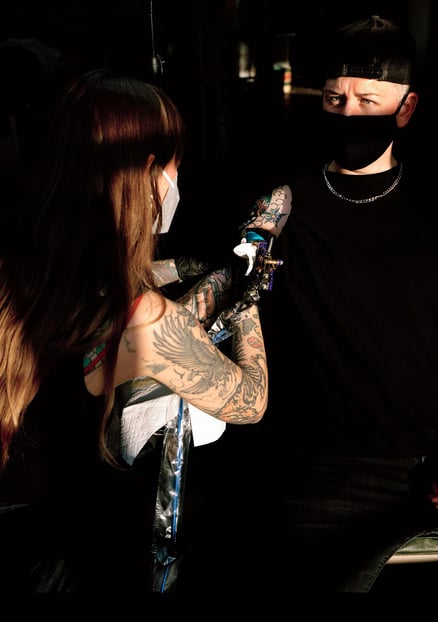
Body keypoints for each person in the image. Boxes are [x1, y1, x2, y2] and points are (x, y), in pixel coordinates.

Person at [222, 14, 438, 597]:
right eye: (335, 99)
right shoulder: (285, 205)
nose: (349, 114)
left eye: (368, 101)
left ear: (406, 108)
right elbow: (234, 296)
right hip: (325, 472)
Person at [0, 68, 268, 593]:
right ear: (148, 171)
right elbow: (250, 401)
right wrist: (248, 286)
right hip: (63, 569)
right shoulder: (145, 318)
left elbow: (124, 275)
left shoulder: (20, 272)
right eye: (175, 166)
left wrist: (193, 267)